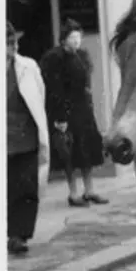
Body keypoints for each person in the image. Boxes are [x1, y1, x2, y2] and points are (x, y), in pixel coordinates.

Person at [40, 18, 108, 208]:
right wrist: (60, 116)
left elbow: (85, 83)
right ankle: (73, 192)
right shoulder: (55, 58)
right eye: (72, 37)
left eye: (78, 36)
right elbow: (54, 89)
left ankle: (89, 190)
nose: (76, 40)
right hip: (66, 111)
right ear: (64, 39)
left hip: (83, 109)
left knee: (87, 149)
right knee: (69, 152)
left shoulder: (81, 56)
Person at [7, 21, 49, 256]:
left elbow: (39, 95)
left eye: (14, 42)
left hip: (25, 138)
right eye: (7, 43)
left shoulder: (28, 66)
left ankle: (18, 235)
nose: (12, 46)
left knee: (25, 188)